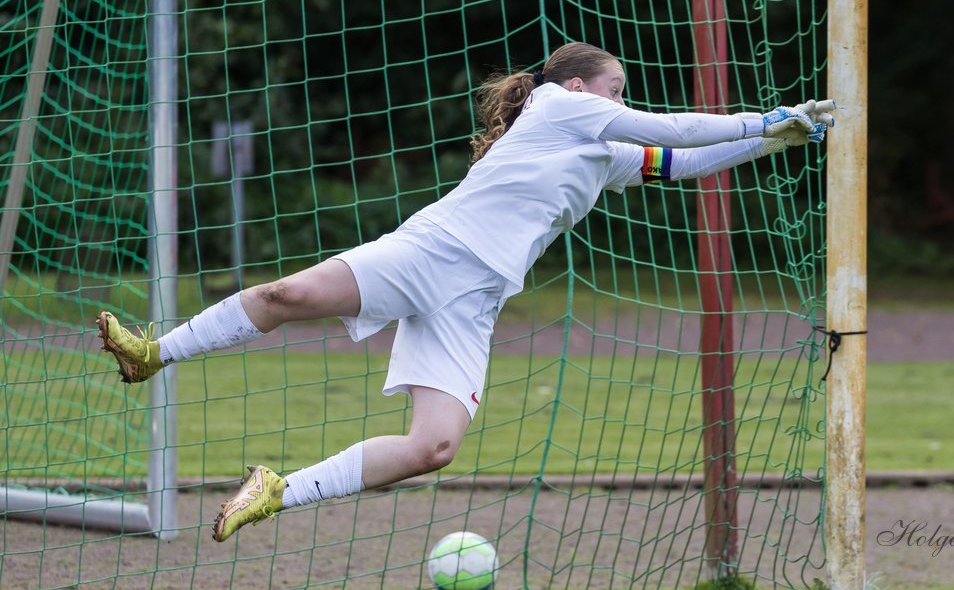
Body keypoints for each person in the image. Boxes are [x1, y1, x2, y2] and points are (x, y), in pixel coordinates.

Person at [95, 41, 835, 542]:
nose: (620, 101)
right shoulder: (559, 108)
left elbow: (677, 162)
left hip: (472, 300)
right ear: (578, 87)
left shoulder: (598, 152)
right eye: (615, 88)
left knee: (434, 446)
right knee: (287, 296)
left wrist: (779, 139)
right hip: (432, 253)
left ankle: (278, 488)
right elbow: (668, 125)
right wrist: (764, 117)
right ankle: (153, 351)